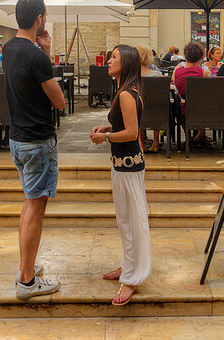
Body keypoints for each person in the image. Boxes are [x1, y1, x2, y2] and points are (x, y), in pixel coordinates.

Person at [2, 0, 68, 300]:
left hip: (17, 139)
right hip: (38, 141)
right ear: (39, 19)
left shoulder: (9, 49)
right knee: (35, 208)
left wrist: (44, 50)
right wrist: (46, 54)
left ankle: (25, 268)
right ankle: (27, 282)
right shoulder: (36, 57)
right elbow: (60, 101)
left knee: (29, 205)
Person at [90, 44, 152, 306]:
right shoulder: (125, 91)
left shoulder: (126, 94)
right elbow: (124, 126)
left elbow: (131, 132)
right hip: (124, 162)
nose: (108, 60)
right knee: (125, 220)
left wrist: (104, 137)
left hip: (127, 164)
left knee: (132, 221)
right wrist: (108, 126)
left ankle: (132, 277)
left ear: (125, 63)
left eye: (114, 57)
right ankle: (128, 266)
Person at [172, 42, 209, 145]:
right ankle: (200, 132)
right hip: (203, 110)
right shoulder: (203, 72)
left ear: (185, 55)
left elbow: (174, 82)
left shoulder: (177, 72)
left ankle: (188, 136)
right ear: (200, 58)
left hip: (184, 110)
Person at [135, 44, 163, 153]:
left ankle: (140, 142)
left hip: (138, 112)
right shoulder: (158, 75)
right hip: (157, 112)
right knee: (157, 104)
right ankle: (156, 142)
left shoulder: (132, 76)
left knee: (138, 107)